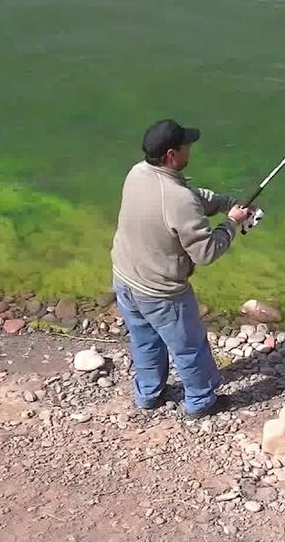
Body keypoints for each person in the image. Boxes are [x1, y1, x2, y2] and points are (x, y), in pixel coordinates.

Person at [110, 119, 255, 416]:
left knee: (145, 341)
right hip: (160, 292)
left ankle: (149, 395)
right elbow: (205, 252)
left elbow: (187, 196)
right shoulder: (178, 200)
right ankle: (201, 402)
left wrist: (225, 203)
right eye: (186, 145)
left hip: (124, 278)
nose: (191, 148)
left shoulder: (137, 172)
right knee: (189, 347)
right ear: (172, 155)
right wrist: (232, 223)